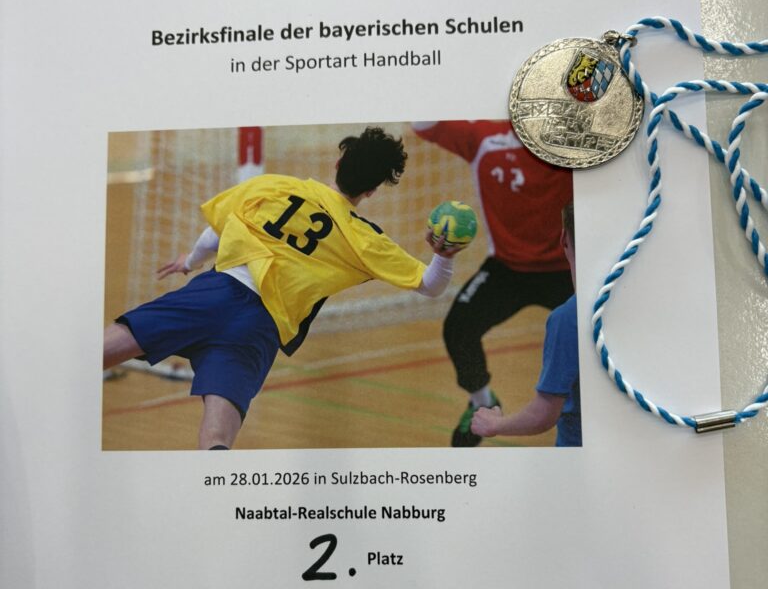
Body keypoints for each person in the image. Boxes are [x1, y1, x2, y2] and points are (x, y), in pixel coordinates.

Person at [104, 127, 462, 450]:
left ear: (338, 163)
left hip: (213, 294)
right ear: (371, 191)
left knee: (100, 351)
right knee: (216, 441)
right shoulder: (366, 240)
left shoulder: (275, 186)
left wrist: (191, 261)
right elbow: (431, 285)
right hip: (258, 328)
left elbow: (215, 233)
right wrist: (443, 255)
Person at [412, 120, 573, 445]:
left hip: (565, 268)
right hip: (507, 268)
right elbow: (422, 124)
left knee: (592, 335)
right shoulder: (484, 138)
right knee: (459, 328)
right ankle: (482, 402)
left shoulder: (569, 144)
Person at [470, 201, 580, 446]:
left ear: (563, 239)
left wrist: (495, 424)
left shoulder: (568, 318)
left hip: (577, 455)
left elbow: (544, 414)